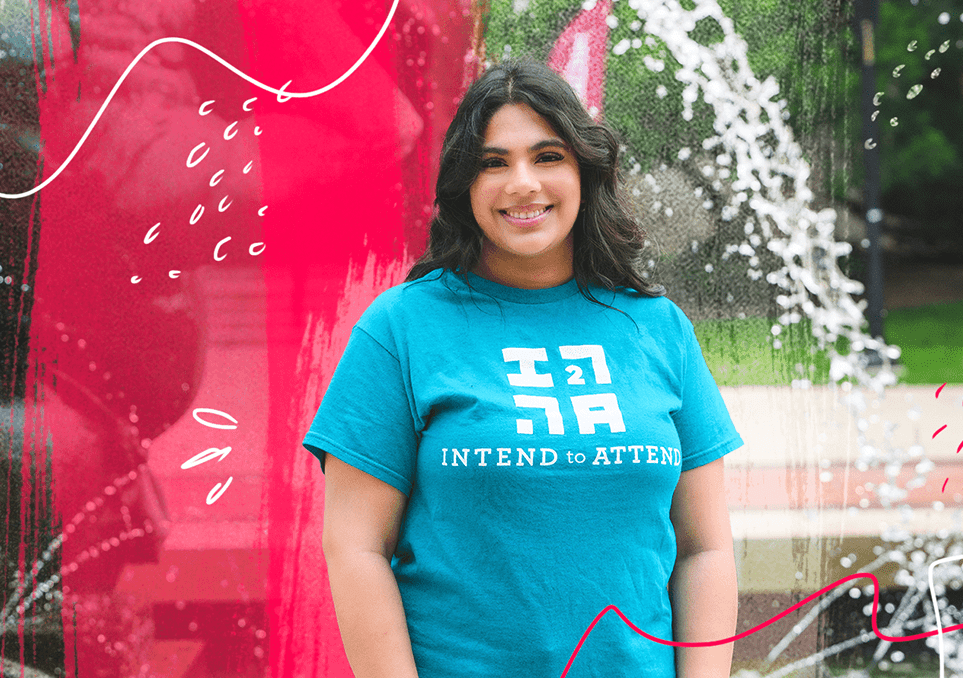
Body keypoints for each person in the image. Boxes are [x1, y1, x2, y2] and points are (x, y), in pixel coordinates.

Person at [303, 59, 743, 678]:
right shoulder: (402, 327)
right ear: (464, 184)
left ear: (584, 172)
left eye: (547, 156)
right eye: (493, 163)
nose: (522, 184)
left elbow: (706, 549)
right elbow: (354, 548)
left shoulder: (657, 328)